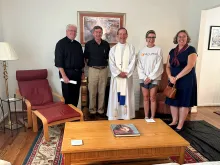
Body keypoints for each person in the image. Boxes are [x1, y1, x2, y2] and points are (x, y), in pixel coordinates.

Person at [165, 30, 197, 132]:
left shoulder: (191, 50)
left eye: (184, 36)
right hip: (173, 80)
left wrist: (176, 77)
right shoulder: (171, 51)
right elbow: (168, 66)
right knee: (173, 101)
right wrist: (170, 76)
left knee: (184, 102)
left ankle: (180, 124)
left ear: (187, 38)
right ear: (176, 38)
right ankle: (174, 121)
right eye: (179, 36)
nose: (181, 38)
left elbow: (190, 66)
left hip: (186, 80)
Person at [107, 27, 136, 120]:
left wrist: (126, 72)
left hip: (127, 78)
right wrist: (119, 73)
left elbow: (133, 62)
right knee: (116, 96)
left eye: (124, 34)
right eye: (120, 34)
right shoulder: (113, 49)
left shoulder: (131, 48)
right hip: (117, 78)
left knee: (126, 95)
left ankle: (125, 115)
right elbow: (111, 63)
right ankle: (116, 115)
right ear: (117, 36)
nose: (122, 36)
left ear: (127, 35)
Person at [55, 24, 85, 106]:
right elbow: (59, 62)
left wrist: (82, 73)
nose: (73, 33)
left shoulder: (78, 45)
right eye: (71, 30)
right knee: (68, 98)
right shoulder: (60, 44)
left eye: (75, 31)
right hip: (66, 74)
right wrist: (63, 76)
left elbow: (81, 60)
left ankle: (75, 117)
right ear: (67, 31)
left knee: (75, 97)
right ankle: (68, 117)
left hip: (77, 74)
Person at [84, 26, 110, 116]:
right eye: (96, 32)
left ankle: (101, 110)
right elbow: (85, 58)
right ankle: (92, 110)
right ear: (93, 33)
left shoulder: (106, 44)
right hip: (93, 70)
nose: (98, 34)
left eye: (100, 32)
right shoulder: (88, 44)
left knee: (102, 91)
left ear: (102, 33)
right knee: (92, 91)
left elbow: (108, 57)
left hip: (104, 70)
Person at [137, 30, 163, 119]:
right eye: (149, 37)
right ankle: (146, 116)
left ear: (154, 38)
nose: (151, 39)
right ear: (146, 38)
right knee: (145, 97)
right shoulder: (142, 51)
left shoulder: (158, 50)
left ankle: (152, 117)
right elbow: (139, 65)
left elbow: (159, 66)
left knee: (152, 97)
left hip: (154, 78)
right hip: (143, 78)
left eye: (153, 37)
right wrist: (145, 77)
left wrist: (151, 77)